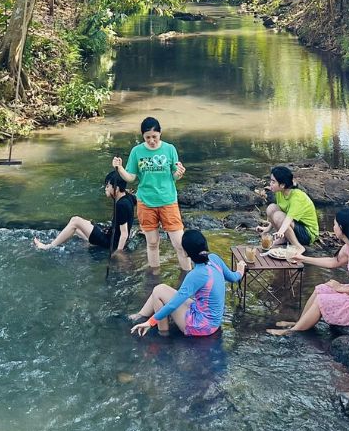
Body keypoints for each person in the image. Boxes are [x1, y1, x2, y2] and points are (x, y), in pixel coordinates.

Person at [266, 207, 349, 336]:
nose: (333, 227)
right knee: (320, 289)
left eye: (335, 224)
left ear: (342, 228)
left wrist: (339, 288)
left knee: (322, 300)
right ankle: (300, 323)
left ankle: (292, 332)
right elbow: (333, 262)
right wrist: (303, 258)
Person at [130, 230, 245, 337]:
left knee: (158, 292)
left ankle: (162, 334)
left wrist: (150, 322)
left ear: (185, 253)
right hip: (213, 320)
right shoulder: (214, 259)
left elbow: (173, 304)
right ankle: (140, 316)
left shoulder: (195, 274)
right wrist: (240, 271)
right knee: (160, 289)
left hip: (202, 327)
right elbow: (233, 277)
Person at [113, 117, 191, 271]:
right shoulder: (137, 151)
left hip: (168, 201)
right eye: (147, 137)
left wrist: (180, 173)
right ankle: (155, 278)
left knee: (180, 244)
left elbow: (174, 176)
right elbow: (131, 177)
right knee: (152, 243)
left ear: (160, 134)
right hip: (146, 203)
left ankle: (188, 276)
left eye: (154, 137)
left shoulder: (170, 149)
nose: (151, 141)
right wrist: (120, 168)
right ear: (143, 137)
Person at [34, 170, 136, 253]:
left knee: (75, 221)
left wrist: (118, 253)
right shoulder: (128, 197)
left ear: (116, 189)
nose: (105, 189)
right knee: (78, 229)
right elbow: (138, 200)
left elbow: (124, 234)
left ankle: (48, 247)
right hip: (110, 235)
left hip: (110, 242)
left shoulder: (121, 205)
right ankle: (89, 242)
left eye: (108, 186)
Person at [256, 166, 319, 256]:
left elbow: (288, 218)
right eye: (271, 181)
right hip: (293, 226)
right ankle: (284, 239)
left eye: (273, 182)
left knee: (278, 215)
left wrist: (280, 232)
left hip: (307, 234)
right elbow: (279, 213)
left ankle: (298, 247)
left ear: (282, 185)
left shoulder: (297, 197)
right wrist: (267, 229)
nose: (270, 184)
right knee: (272, 208)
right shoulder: (279, 193)